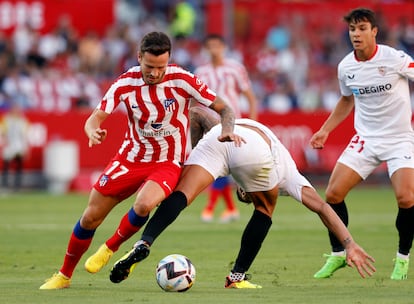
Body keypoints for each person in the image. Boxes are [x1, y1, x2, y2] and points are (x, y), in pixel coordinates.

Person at [39, 31, 242, 290]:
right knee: (90, 217)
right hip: (130, 157)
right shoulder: (125, 83)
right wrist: (92, 130)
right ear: (138, 58)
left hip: (167, 160)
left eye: (160, 67)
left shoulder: (183, 79)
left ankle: (110, 248)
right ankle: (64, 275)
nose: (155, 73)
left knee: (145, 204)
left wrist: (227, 129)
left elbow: (225, 108)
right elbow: (95, 118)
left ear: (168, 61)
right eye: (149, 67)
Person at [108, 105, 376, 289]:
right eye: (245, 192)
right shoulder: (290, 176)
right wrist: (349, 243)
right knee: (265, 210)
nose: (244, 191)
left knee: (182, 195)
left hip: (223, 136)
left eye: (243, 192)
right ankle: (236, 276)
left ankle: (146, 240)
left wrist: (191, 151)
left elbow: (197, 114)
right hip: (251, 149)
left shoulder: (279, 176)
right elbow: (322, 208)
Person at [309, 8, 414, 280]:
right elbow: (346, 100)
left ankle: (402, 259)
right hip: (366, 139)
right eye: (352, 29)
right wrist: (325, 130)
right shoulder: (346, 67)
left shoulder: (395, 59)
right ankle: (338, 255)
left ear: (374, 31)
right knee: (332, 195)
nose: (356, 34)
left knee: (406, 197)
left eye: (362, 28)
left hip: (399, 138)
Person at [195, 33, 258, 223]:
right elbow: (195, 100)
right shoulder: (201, 72)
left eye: (217, 46)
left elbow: (250, 97)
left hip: (233, 123)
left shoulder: (235, 69)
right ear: (206, 49)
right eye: (210, 46)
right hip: (209, 125)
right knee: (221, 166)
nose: (214, 50)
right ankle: (230, 208)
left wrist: (253, 123)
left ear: (223, 47)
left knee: (226, 165)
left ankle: (211, 208)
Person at [0, 103, 30, 191]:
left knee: (19, 164)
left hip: (19, 145)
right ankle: (5, 183)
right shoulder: (6, 120)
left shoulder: (22, 121)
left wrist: (26, 148)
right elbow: (2, 132)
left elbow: (25, 135)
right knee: (6, 164)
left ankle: (17, 184)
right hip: (9, 145)